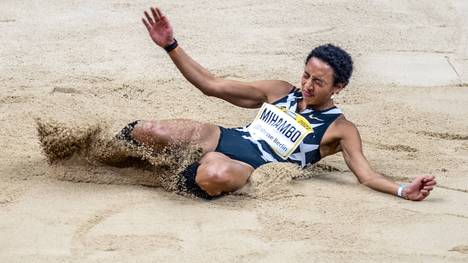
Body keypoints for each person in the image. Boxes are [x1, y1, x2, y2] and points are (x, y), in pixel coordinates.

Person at [118, 6, 436, 200]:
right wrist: (170, 45)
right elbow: (210, 85)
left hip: (250, 166)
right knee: (152, 129)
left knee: (213, 175)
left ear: (339, 87)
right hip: (224, 137)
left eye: (318, 82)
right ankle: (101, 152)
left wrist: (402, 189)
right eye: (306, 75)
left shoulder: (341, 129)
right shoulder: (279, 90)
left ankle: (181, 174)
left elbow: (365, 175)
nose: (307, 86)